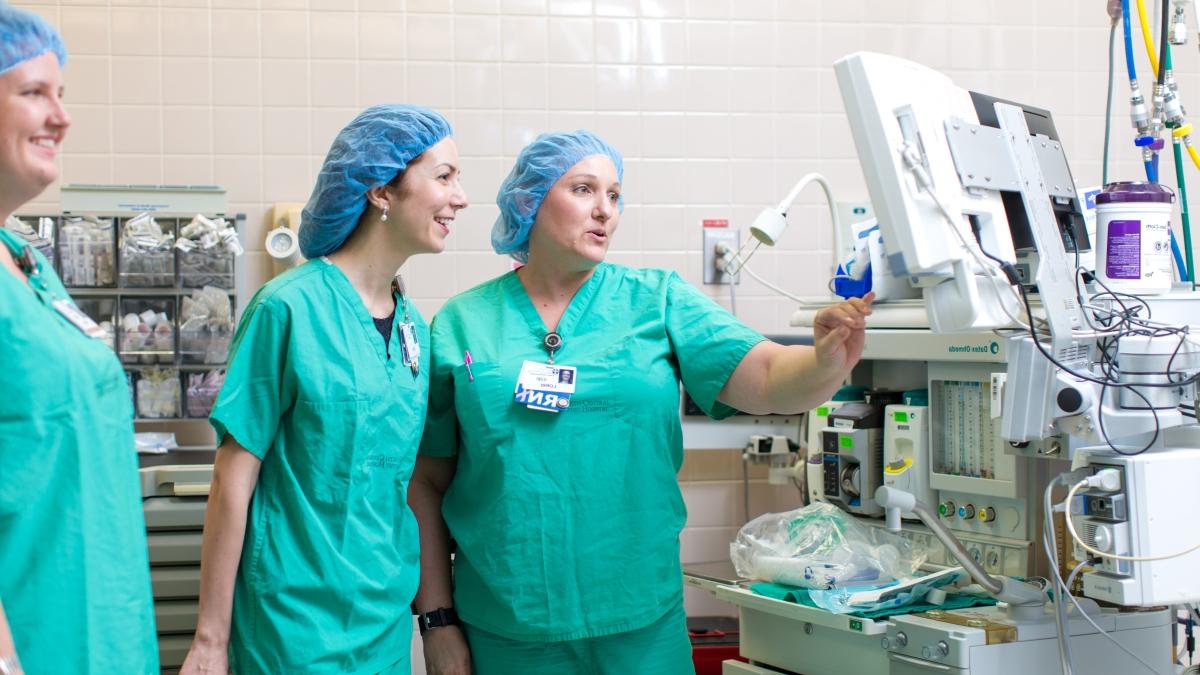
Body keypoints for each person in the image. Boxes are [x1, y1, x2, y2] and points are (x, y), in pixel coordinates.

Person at [410, 130, 872, 675]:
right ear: (527, 201)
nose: (605, 210)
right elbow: (426, 481)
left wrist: (824, 362)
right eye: (584, 189)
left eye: (614, 195)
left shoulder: (656, 300)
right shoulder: (462, 323)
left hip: (641, 625)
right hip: (508, 626)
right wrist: (437, 624)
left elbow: (769, 375)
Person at [180, 104, 468, 674]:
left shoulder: (413, 327)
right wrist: (210, 640)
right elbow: (232, 477)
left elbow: (406, 479)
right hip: (293, 622)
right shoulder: (288, 308)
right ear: (381, 191)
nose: (459, 198)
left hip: (382, 622)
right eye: (444, 177)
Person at [0, 6, 158, 674]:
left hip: (104, 636)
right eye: (34, 93)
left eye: (61, 94)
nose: (61, 117)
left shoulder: (28, 264)